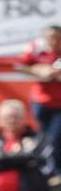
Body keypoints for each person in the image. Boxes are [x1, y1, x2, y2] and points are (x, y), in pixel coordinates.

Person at [14, 24, 61, 175]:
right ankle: (43, 170)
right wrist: (39, 70)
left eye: (56, 38)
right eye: (50, 37)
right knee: (42, 136)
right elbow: (19, 65)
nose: (53, 41)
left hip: (59, 103)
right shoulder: (36, 49)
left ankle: (54, 171)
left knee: (54, 138)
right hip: (40, 101)